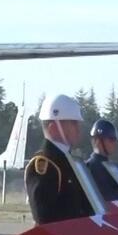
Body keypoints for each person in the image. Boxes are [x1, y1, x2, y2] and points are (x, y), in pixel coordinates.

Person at [25, 94, 95, 224]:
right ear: (53, 127)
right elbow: (44, 220)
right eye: (73, 123)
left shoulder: (71, 162)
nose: (79, 129)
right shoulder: (45, 165)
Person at [84, 119, 118, 202]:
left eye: (116, 140)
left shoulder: (112, 168)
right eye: (111, 139)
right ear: (98, 141)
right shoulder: (89, 169)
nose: (115, 143)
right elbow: (106, 197)